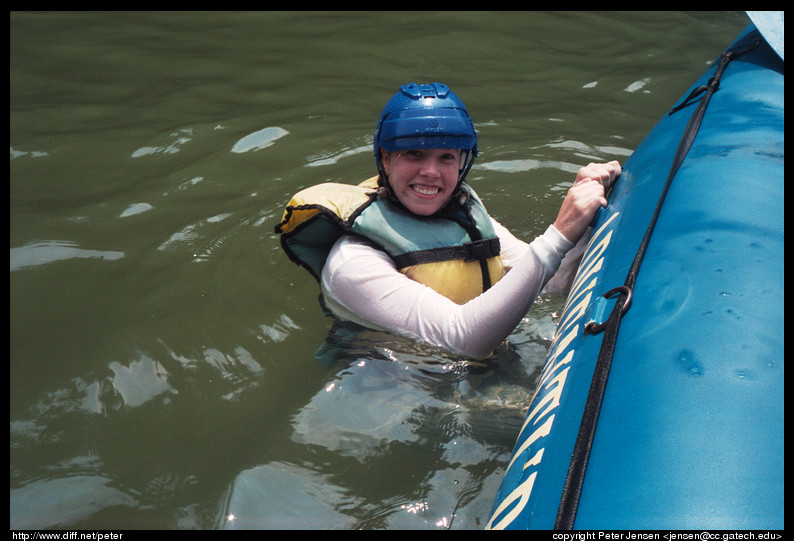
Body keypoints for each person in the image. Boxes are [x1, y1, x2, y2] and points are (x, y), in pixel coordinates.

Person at [275, 82, 620, 360]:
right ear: (385, 158)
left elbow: (553, 281)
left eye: (446, 157)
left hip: (473, 368)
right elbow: (463, 339)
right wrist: (559, 233)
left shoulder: (464, 219)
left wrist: (588, 212)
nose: (431, 172)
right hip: (397, 390)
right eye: (414, 154)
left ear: (462, 163)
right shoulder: (353, 262)